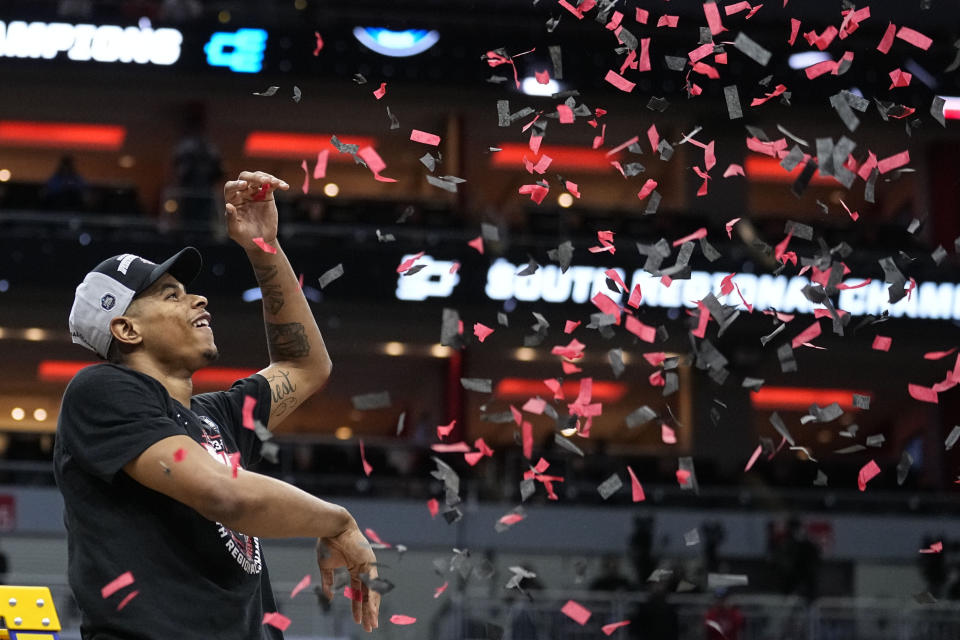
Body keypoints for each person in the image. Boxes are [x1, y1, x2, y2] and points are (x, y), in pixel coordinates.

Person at [55, 171, 379, 638]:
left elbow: (305, 366)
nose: (198, 297)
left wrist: (264, 246)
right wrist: (339, 521)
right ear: (127, 330)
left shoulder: (216, 416)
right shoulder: (100, 392)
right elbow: (220, 493)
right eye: (171, 295)